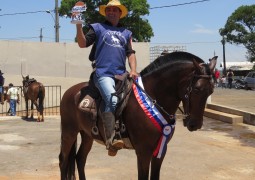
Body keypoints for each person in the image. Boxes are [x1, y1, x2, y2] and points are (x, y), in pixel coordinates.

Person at [74, 0, 139, 155]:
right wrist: (78, 24)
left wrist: (134, 70)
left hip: (122, 75)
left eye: (115, 10)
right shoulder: (98, 28)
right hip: (103, 74)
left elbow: (130, 54)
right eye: (108, 10)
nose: (111, 12)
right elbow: (82, 44)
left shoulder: (126, 33)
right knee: (112, 99)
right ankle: (111, 140)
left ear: (120, 13)